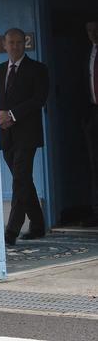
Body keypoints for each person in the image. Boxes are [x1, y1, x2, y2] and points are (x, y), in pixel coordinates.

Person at [0, 28, 48, 246]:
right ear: (4, 45)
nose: (15, 46)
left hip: (27, 134)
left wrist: (12, 114)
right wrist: (0, 116)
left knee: (19, 180)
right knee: (24, 180)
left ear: (24, 44)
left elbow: (39, 99)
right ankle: (37, 225)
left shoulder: (38, 69)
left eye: (19, 42)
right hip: (6, 134)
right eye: (11, 42)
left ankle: (10, 232)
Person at [81, 20, 98, 227]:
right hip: (92, 113)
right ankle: (96, 211)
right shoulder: (86, 54)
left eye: (96, 30)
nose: (93, 34)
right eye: (90, 30)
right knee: (94, 164)